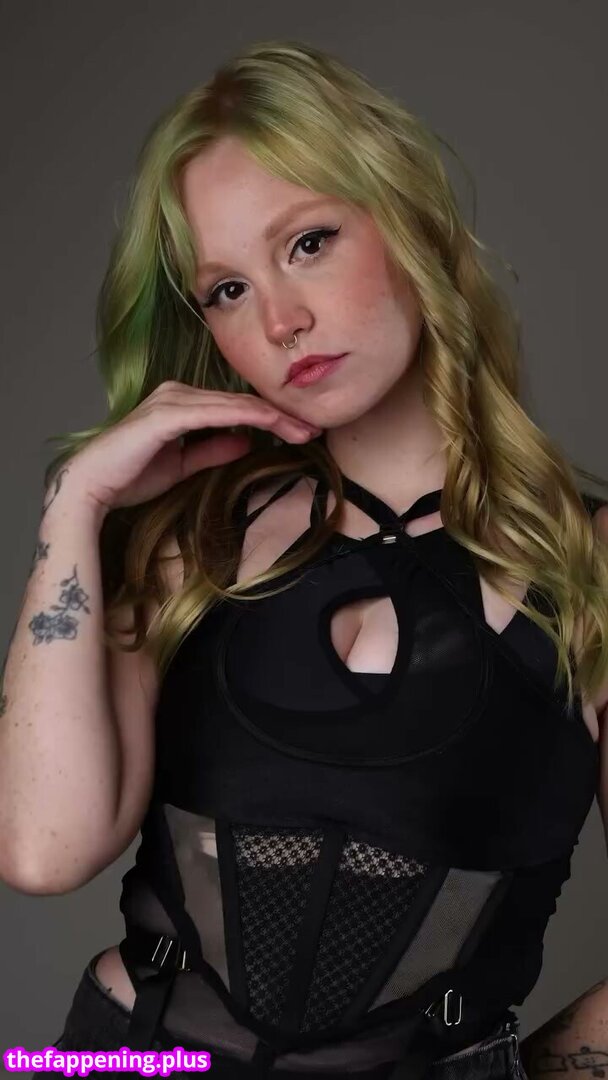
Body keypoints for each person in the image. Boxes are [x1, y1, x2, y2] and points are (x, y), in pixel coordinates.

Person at [1, 37, 607, 1080]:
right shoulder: (190, 542)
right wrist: (76, 509)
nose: (281, 321)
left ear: (408, 223)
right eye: (227, 290)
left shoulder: (583, 561)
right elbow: (41, 849)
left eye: (309, 243)